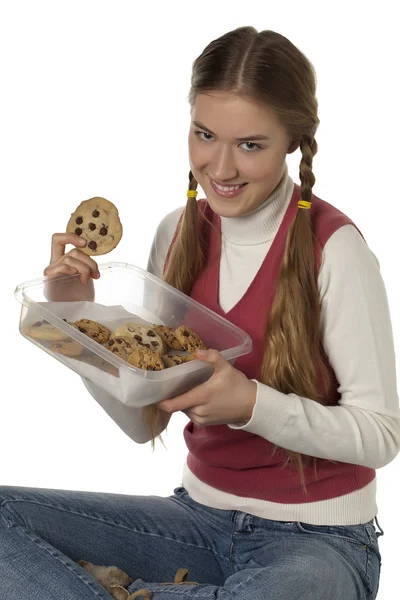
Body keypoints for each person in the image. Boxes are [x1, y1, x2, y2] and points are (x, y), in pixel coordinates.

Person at [1, 26, 399, 600]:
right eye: (205, 134)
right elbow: (144, 422)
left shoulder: (335, 250)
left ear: (294, 141)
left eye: (251, 144)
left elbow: (382, 435)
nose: (221, 167)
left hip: (319, 543)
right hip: (196, 522)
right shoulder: (177, 234)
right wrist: (73, 322)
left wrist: (251, 405)